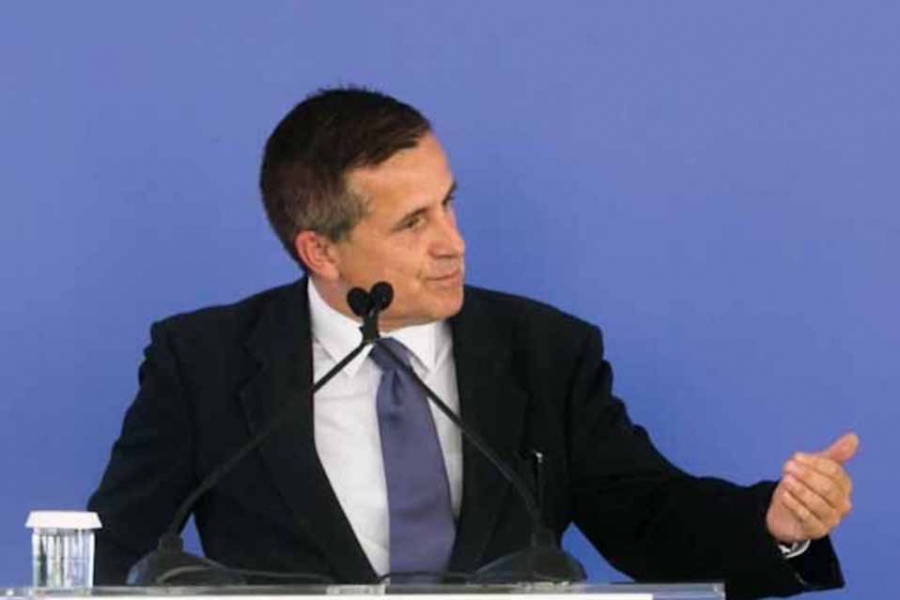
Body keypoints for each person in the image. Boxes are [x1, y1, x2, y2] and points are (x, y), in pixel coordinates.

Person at [88, 87, 856, 599]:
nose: (453, 243)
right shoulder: (204, 363)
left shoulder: (545, 353)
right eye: (412, 223)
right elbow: (110, 555)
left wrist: (774, 527)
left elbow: (649, 519)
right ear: (320, 251)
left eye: (448, 204)